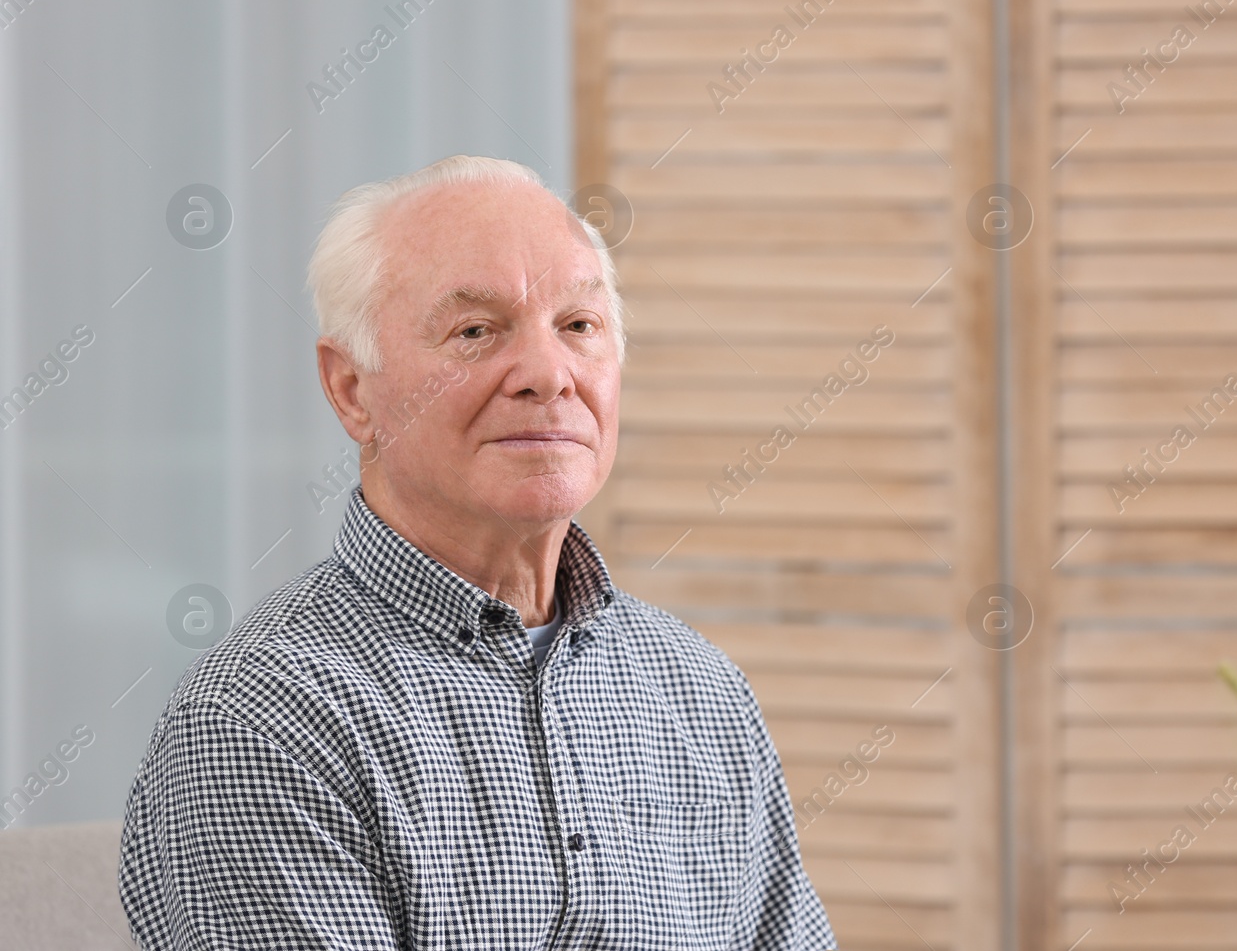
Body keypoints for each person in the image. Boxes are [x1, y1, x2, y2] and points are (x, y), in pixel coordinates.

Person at [118, 155, 835, 950]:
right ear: (352, 388)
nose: (546, 374)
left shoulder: (699, 690)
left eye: (578, 326)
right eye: (475, 331)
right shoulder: (263, 717)